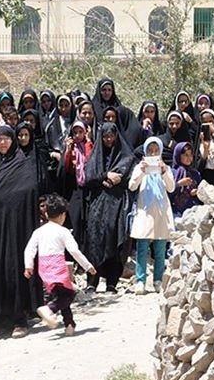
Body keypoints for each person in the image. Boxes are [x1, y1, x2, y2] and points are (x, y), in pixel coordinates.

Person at [0, 125, 40, 338]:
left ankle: (19, 319)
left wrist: (0, 197)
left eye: (6, 139)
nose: (2, 143)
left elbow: (28, 188)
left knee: (14, 269)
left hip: (16, 228)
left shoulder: (23, 163)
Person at [24, 193, 95, 336]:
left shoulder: (39, 231)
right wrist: (88, 266)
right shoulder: (63, 231)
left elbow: (29, 249)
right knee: (69, 294)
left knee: (61, 295)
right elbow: (74, 251)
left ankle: (69, 324)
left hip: (44, 267)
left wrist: (28, 266)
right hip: (58, 266)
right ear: (63, 215)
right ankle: (50, 309)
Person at [82, 122, 137, 293]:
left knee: (114, 239)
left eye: (111, 136)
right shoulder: (96, 155)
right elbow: (88, 178)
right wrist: (105, 176)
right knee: (95, 239)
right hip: (98, 205)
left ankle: (112, 282)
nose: (108, 139)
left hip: (117, 203)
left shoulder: (125, 156)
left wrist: (117, 179)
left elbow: (130, 177)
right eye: (105, 136)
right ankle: (92, 280)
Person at [128, 138, 175, 295]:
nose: (153, 153)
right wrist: (142, 171)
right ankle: (140, 280)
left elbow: (171, 187)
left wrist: (163, 171)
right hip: (145, 211)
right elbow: (132, 185)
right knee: (142, 246)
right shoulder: (140, 168)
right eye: (150, 150)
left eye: (156, 150)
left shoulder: (165, 168)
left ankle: (158, 280)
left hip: (161, 212)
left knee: (160, 248)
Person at [170, 142, 202, 218]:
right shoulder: (171, 173)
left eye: (191, 155)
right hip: (175, 212)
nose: (189, 158)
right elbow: (167, 192)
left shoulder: (195, 173)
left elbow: (201, 190)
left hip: (193, 211)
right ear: (178, 155)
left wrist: (196, 192)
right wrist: (178, 184)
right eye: (186, 155)